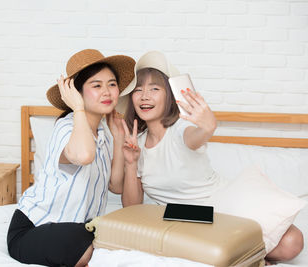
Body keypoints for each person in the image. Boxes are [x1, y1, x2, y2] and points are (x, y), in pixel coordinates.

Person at [119, 51, 304, 264]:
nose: (144, 96)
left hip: (221, 206)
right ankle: (239, 255)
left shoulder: (181, 129)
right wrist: (131, 163)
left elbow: (196, 136)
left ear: (169, 95)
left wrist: (208, 127)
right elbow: (131, 209)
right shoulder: (135, 142)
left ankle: (238, 253)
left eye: (154, 88)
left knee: (292, 241)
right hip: (182, 220)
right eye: (138, 90)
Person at [7, 49, 135, 267]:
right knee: (84, 243)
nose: (107, 91)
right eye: (96, 85)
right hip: (32, 229)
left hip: (76, 229)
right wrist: (77, 108)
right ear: (77, 93)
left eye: (112, 84)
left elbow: (115, 185)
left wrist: (118, 137)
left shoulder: (102, 134)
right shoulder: (66, 127)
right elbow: (84, 155)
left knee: (106, 236)